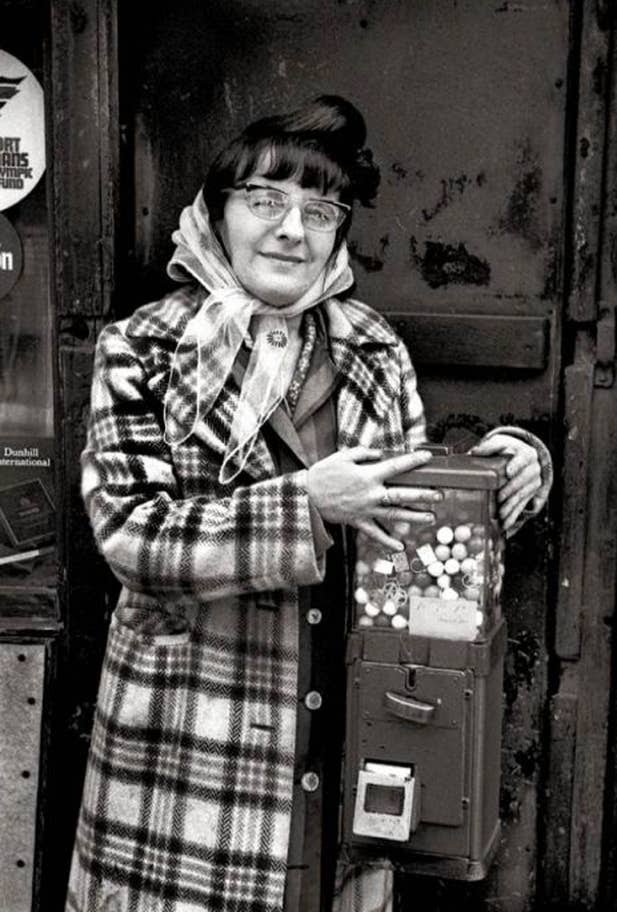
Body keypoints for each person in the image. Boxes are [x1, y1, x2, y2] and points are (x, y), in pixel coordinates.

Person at [66, 95, 552, 912]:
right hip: (193, 753)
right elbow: (132, 539)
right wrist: (305, 505)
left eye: (319, 210)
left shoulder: (370, 348)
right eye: (265, 201)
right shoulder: (142, 346)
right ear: (215, 212)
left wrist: (503, 473)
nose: (291, 229)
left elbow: (406, 536)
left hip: (340, 736)